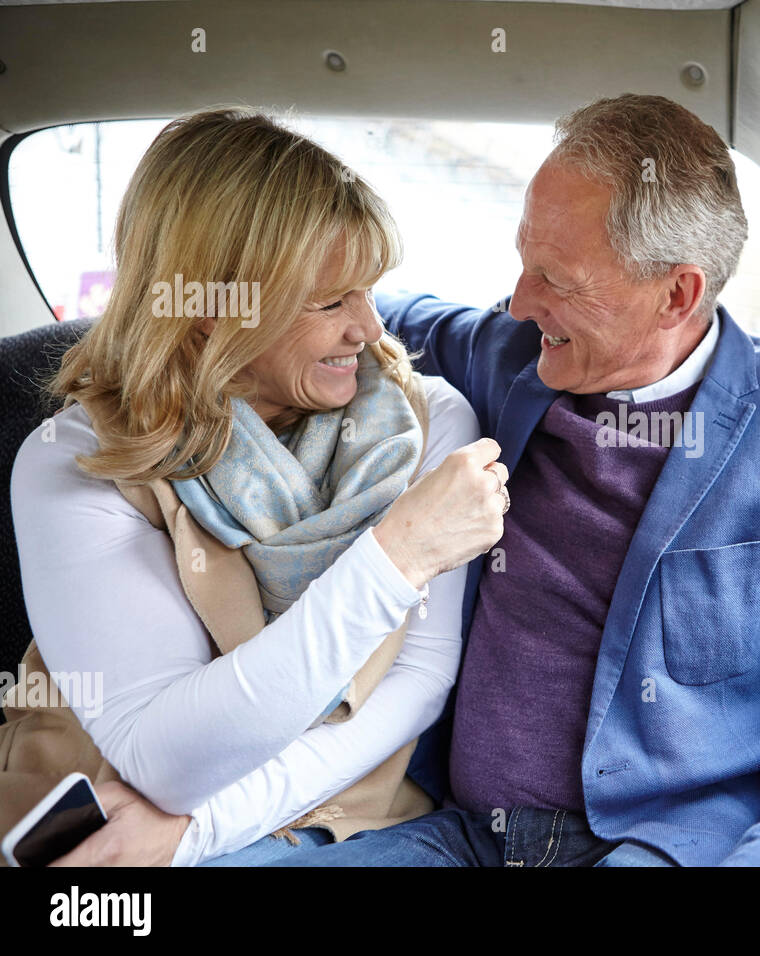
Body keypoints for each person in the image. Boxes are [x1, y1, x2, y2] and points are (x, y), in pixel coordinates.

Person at [270, 93, 760, 866]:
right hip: (453, 831)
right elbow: (376, 314)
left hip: (660, 846)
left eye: (555, 277)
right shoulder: (512, 352)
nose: (520, 300)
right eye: (522, 262)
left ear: (677, 294)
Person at [1, 107, 509, 867]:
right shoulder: (78, 460)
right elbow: (167, 760)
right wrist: (396, 557)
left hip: (331, 819)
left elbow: (418, 681)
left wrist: (201, 830)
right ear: (207, 309)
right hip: (103, 821)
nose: (368, 328)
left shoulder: (426, 422)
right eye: (330, 300)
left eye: (369, 290)